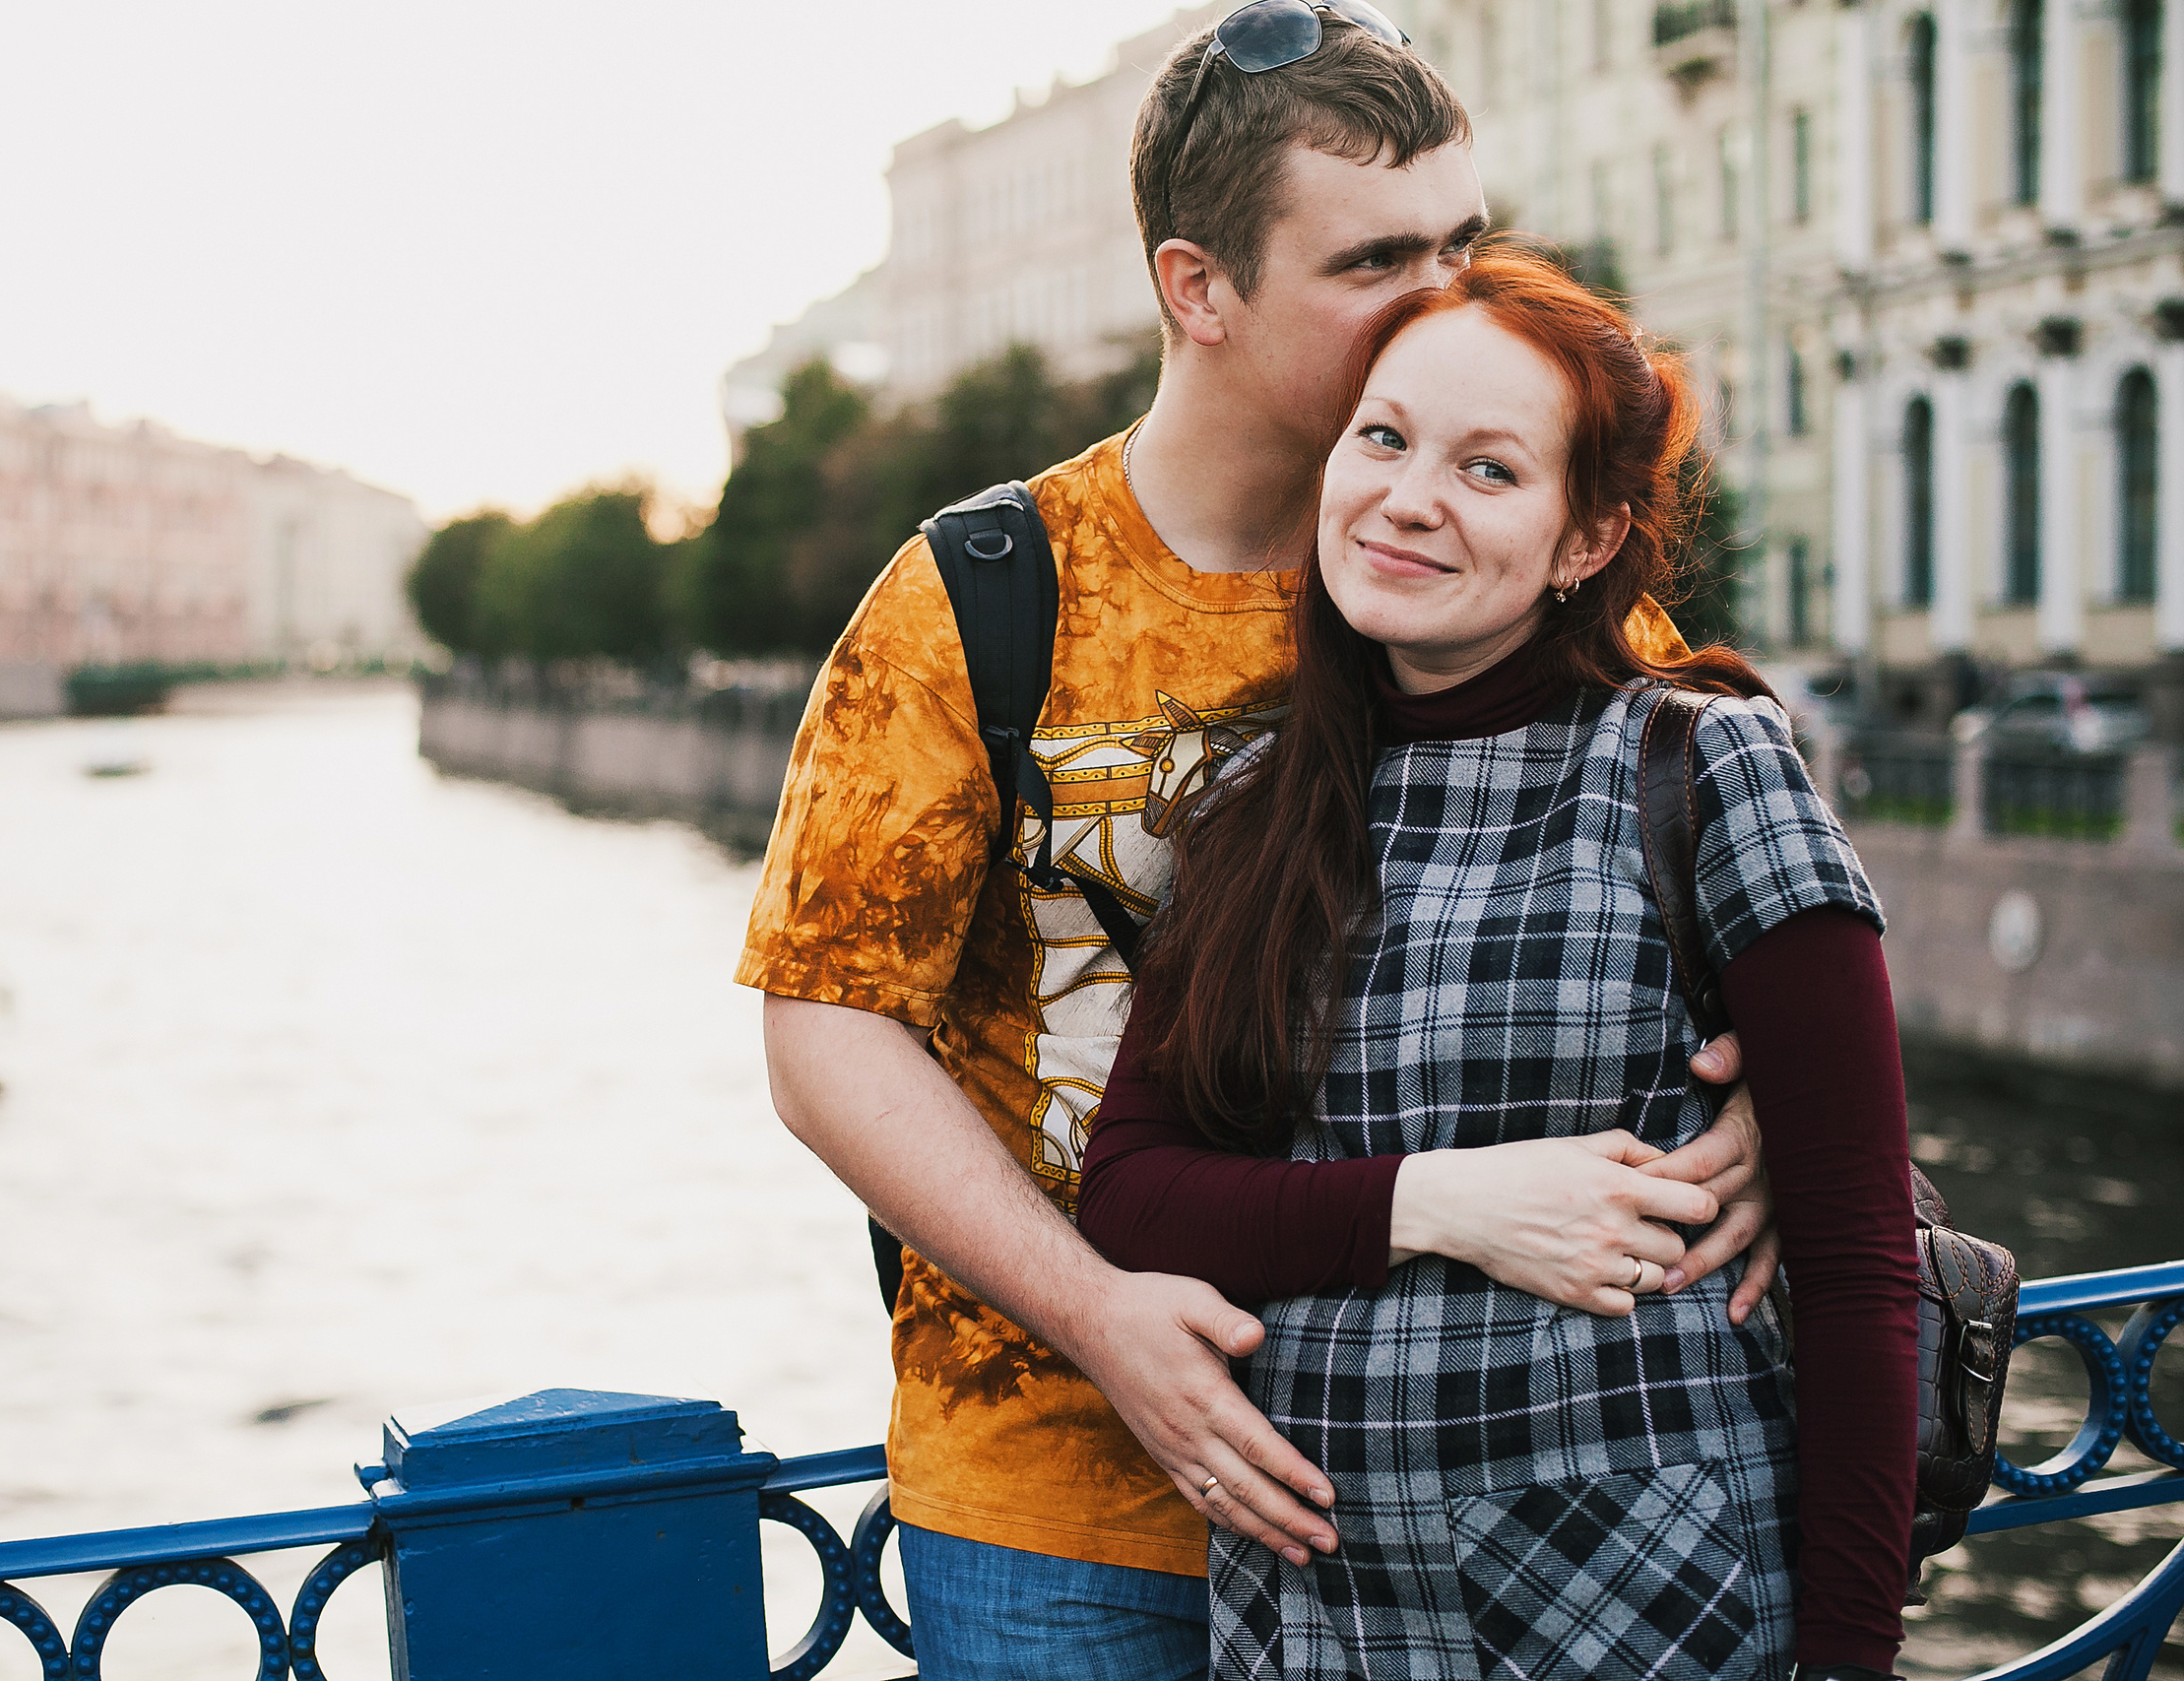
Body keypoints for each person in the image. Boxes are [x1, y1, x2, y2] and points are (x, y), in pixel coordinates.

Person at [740, 6, 1779, 1675]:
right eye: (1376, 262)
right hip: (1064, 1496)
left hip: (1460, 1490)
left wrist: (1766, 1122)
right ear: (1199, 288)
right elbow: (825, 1030)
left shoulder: (1488, 553)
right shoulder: (980, 598)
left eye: (1460, 241)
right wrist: (1100, 1316)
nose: (1442, 301)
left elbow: (1726, 872)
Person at [1077, 243, 1920, 1680]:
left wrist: (1849, 1662)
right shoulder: (1254, 804)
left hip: (1646, 1609)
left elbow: (1858, 1264)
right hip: (1322, 1619)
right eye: (1383, 438)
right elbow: (1136, 1196)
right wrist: (1442, 1203)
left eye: (1488, 469)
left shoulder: (1701, 763)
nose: (1409, 498)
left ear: (1584, 540)